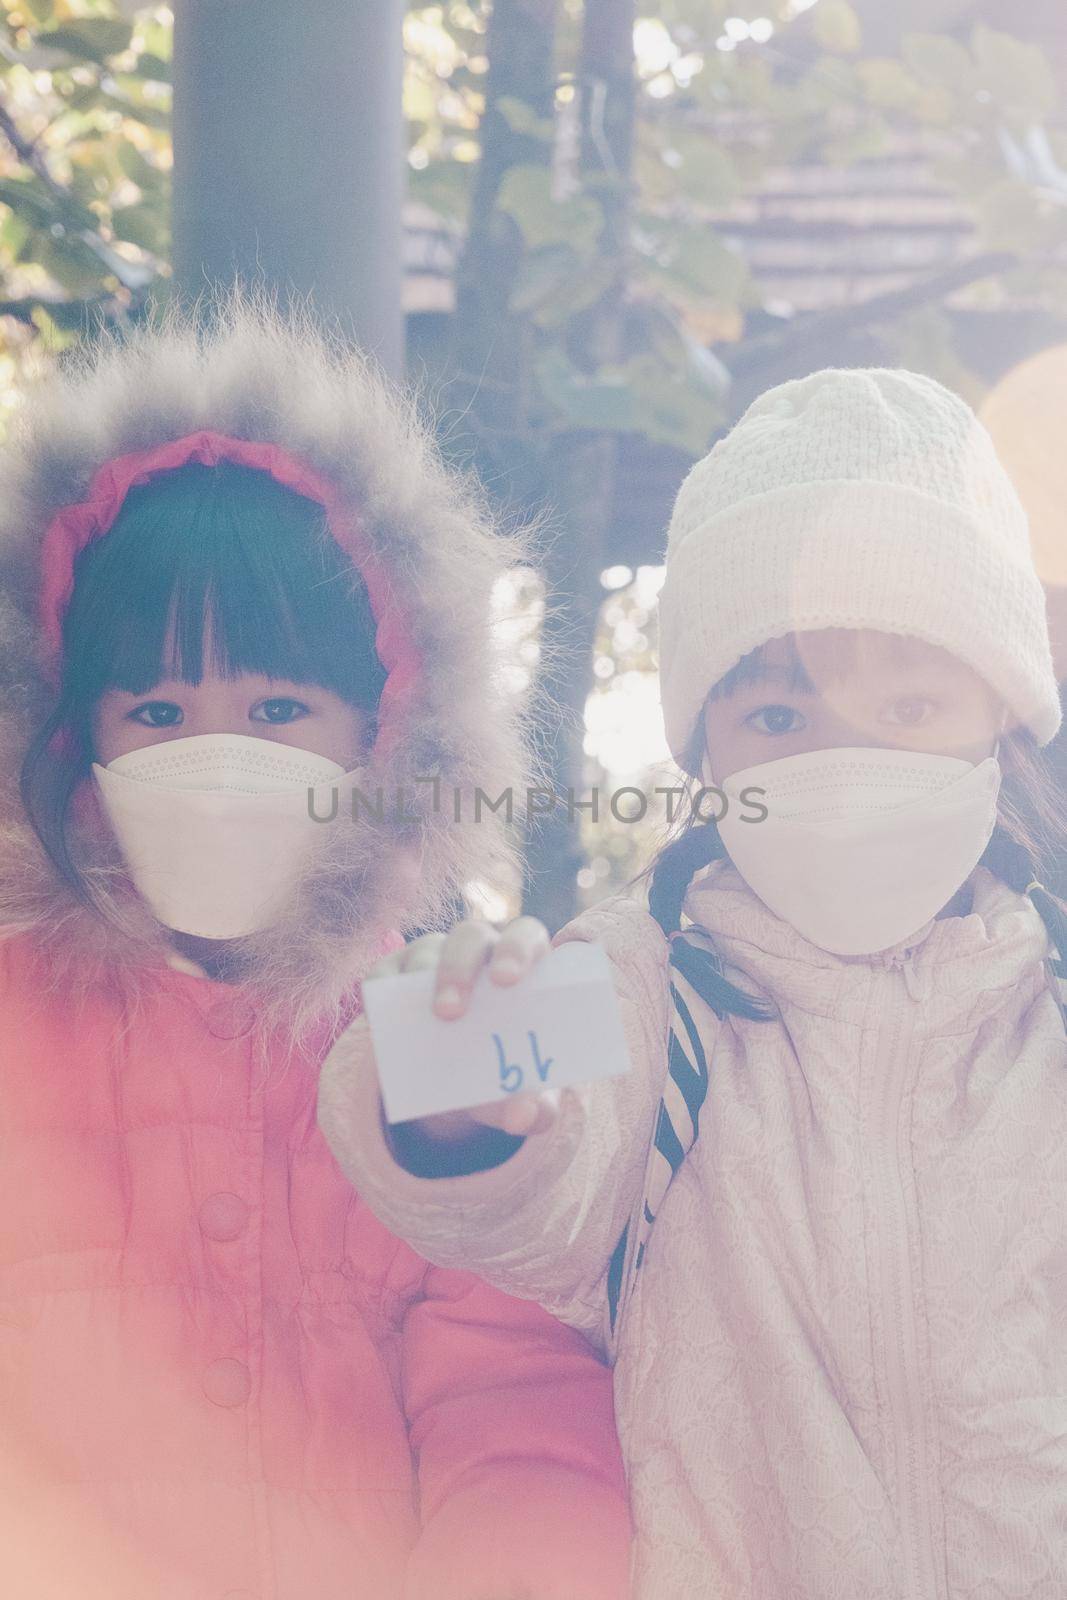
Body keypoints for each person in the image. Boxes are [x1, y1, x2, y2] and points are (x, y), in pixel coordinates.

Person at [319, 368, 1067, 1599]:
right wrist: (456, 1102)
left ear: (1001, 712)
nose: (841, 758)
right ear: (703, 751)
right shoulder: (646, 977)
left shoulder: (1047, 1002)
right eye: (777, 716)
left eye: (908, 704)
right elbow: (519, 1196)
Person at [0, 293, 631, 1600]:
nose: (212, 754)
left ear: (382, 733)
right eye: (158, 709)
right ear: (78, 741)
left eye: (279, 706)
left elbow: (516, 1393)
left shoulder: (447, 1016)